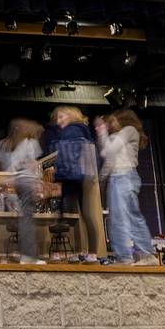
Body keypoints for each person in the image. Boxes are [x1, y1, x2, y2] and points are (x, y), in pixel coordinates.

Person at [96, 109, 158, 266]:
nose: (110, 124)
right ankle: (128, 256)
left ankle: (139, 255)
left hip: (125, 177)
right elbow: (107, 157)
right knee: (120, 218)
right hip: (117, 178)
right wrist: (101, 179)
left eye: (112, 121)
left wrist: (102, 133)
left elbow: (109, 151)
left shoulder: (129, 131)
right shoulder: (115, 136)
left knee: (126, 217)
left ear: (122, 120)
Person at [0, 119, 46, 264]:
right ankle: (29, 256)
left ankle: (27, 255)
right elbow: (34, 165)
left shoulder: (16, 145)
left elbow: (12, 166)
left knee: (25, 218)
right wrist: (38, 182)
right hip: (27, 182)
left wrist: (10, 178)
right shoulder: (30, 143)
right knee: (28, 219)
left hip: (19, 183)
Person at [52, 106, 101, 263]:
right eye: (58, 118)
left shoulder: (71, 130)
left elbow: (68, 155)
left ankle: (60, 251)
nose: (59, 121)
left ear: (71, 116)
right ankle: (91, 253)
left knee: (64, 212)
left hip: (72, 174)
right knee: (86, 214)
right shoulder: (83, 130)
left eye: (62, 117)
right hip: (85, 175)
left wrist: (59, 173)